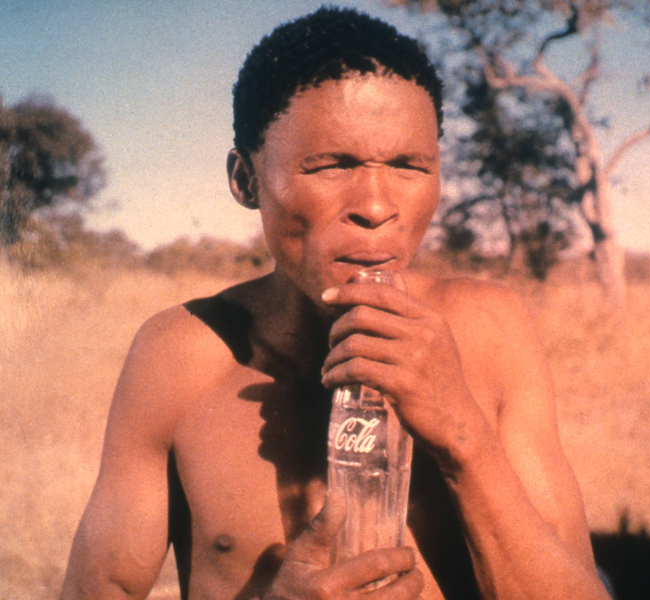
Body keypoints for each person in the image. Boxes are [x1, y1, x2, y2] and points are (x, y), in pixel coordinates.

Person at [61, 7, 608, 599]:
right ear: (246, 180)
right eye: (331, 165)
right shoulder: (180, 356)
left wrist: (461, 433)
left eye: (408, 166)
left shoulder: (489, 330)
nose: (375, 206)